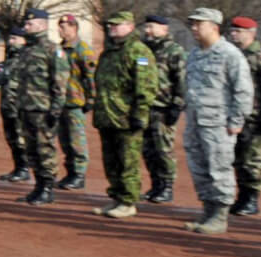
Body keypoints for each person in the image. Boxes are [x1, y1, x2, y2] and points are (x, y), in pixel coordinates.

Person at [180, 8, 253, 234]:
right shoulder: (194, 54)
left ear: (213, 26)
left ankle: (220, 216)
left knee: (219, 168)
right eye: (192, 24)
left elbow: (243, 90)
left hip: (219, 124)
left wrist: (237, 120)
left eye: (198, 24)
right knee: (198, 168)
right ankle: (208, 211)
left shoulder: (229, 54)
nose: (193, 28)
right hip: (195, 121)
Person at [91, 13, 160, 219]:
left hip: (126, 117)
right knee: (111, 162)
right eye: (110, 25)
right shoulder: (109, 52)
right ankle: (117, 197)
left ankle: (129, 201)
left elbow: (146, 85)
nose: (112, 28)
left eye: (117, 25)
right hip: (107, 115)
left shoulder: (138, 51)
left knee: (128, 161)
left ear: (130, 26)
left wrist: (140, 114)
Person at [4, 8, 68, 205]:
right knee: (31, 150)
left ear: (42, 25)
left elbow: (60, 83)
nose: (26, 27)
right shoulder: (26, 50)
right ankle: (39, 185)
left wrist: (55, 110)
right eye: (26, 24)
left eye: (30, 24)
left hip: (43, 109)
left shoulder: (52, 50)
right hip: (26, 108)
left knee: (45, 149)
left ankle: (47, 187)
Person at [227, 16, 261, 217]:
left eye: (238, 31)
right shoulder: (234, 55)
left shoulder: (260, 57)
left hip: (253, 117)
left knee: (250, 159)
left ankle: (251, 197)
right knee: (237, 158)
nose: (233, 35)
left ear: (251, 33)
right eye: (232, 31)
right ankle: (242, 195)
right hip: (234, 115)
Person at [138, 15, 187, 204]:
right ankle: (155, 184)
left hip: (163, 108)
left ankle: (167, 186)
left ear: (164, 29)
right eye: (146, 27)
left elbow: (181, 80)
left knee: (163, 149)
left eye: (152, 27)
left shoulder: (174, 51)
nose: (148, 31)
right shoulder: (143, 50)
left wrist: (177, 104)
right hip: (144, 107)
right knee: (148, 150)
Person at [55, 14, 97, 189]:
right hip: (60, 101)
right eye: (60, 26)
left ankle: (79, 174)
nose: (61, 30)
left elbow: (90, 76)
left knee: (76, 140)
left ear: (74, 28)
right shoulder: (59, 49)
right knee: (64, 140)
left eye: (65, 26)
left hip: (75, 101)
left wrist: (91, 98)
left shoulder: (82, 49)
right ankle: (70, 172)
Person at [0, 27, 31, 182]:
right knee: (11, 138)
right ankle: (18, 167)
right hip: (7, 105)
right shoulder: (10, 59)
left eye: (14, 39)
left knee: (21, 138)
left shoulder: (27, 57)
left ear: (23, 40)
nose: (11, 42)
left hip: (20, 106)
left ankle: (24, 168)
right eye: (10, 39)